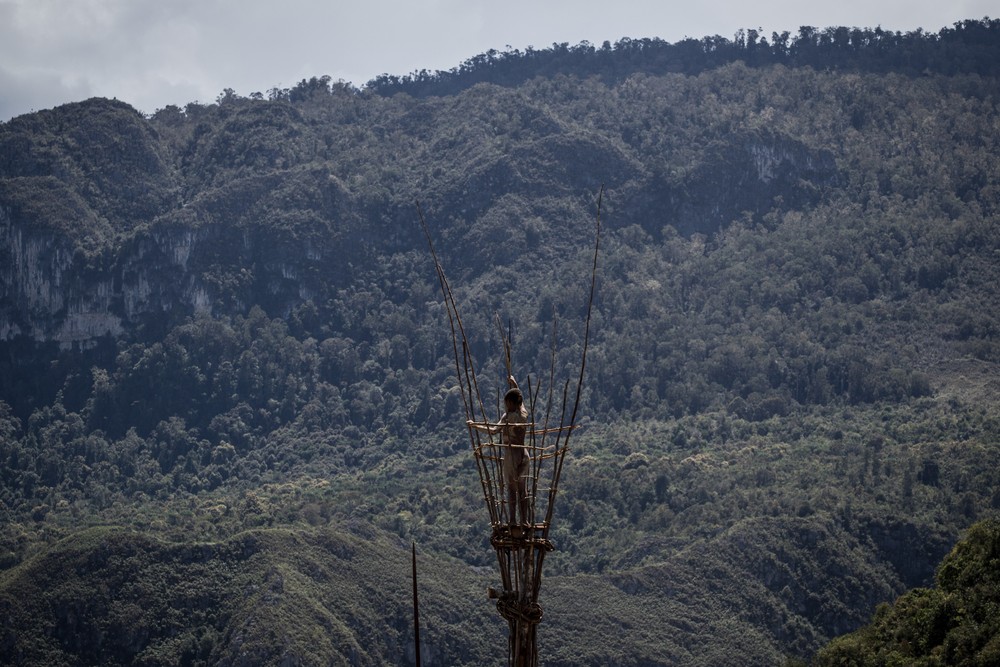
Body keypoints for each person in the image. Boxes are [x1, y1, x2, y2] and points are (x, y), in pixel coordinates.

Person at [468, 375, 530, 526]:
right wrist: (515, 384)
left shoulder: (508, 417)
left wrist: (474, 425)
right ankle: (524, 520)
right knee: (523, 489)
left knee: (511, 488)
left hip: (512, 454)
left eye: (506, 402)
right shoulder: (523, 414)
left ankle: (513, 521)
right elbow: (520, 402)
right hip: (524, 453)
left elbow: (494, 431)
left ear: (509, 403)